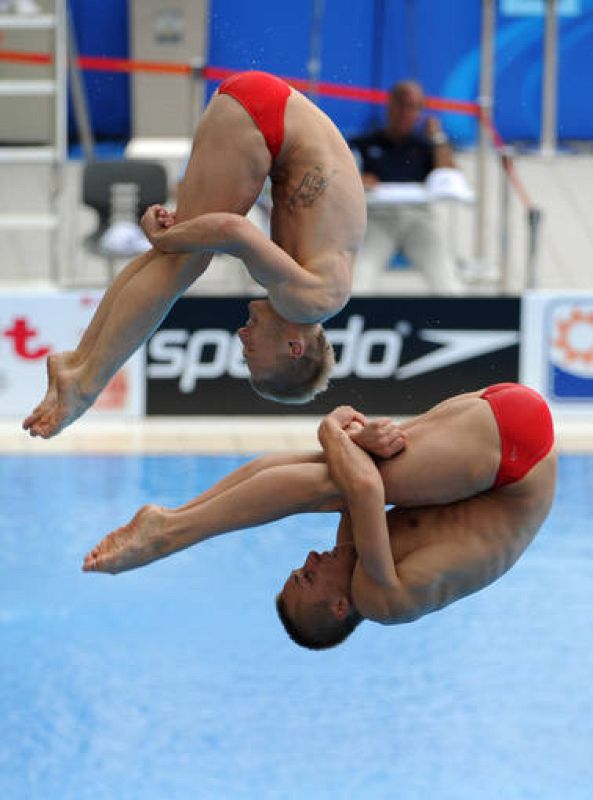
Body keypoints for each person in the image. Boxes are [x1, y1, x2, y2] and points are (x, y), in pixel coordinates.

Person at [82, 383, 556, 651]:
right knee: (330, 482)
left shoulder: (356, 557)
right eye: (307, 576)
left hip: (498, 426)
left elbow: (353, 469)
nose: (310, 556)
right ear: (339, 607)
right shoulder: (382, 601)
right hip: (517, 454)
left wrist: (350, 442)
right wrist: (332, 430)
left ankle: (174, 517)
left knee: (327, 475)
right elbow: (362, 483)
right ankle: (170, 533)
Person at [23, 71, 367, 438]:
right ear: (294, 348)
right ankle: (86, 383)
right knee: (184, 258)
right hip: (265, 117)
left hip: (265, 110)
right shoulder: (309, 302)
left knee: (177, 254)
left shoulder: (316, 292)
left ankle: (79, 362)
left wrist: (175, 237)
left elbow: (228, 233)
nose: (242, 337)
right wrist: (169, 236)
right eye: (251, 354)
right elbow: (232, 230)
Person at [349, 79, 463, 294]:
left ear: (420, 112)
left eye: (413, 107)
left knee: (448, 284)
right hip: (377, 217)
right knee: (357, 283)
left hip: (418, 216)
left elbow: (451, 178)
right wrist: (357, 179)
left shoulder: (427, 146)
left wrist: (438, 137)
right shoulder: (363, 144)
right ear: (389, 105)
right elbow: (339, 178)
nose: (405, 112)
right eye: (400, 104)